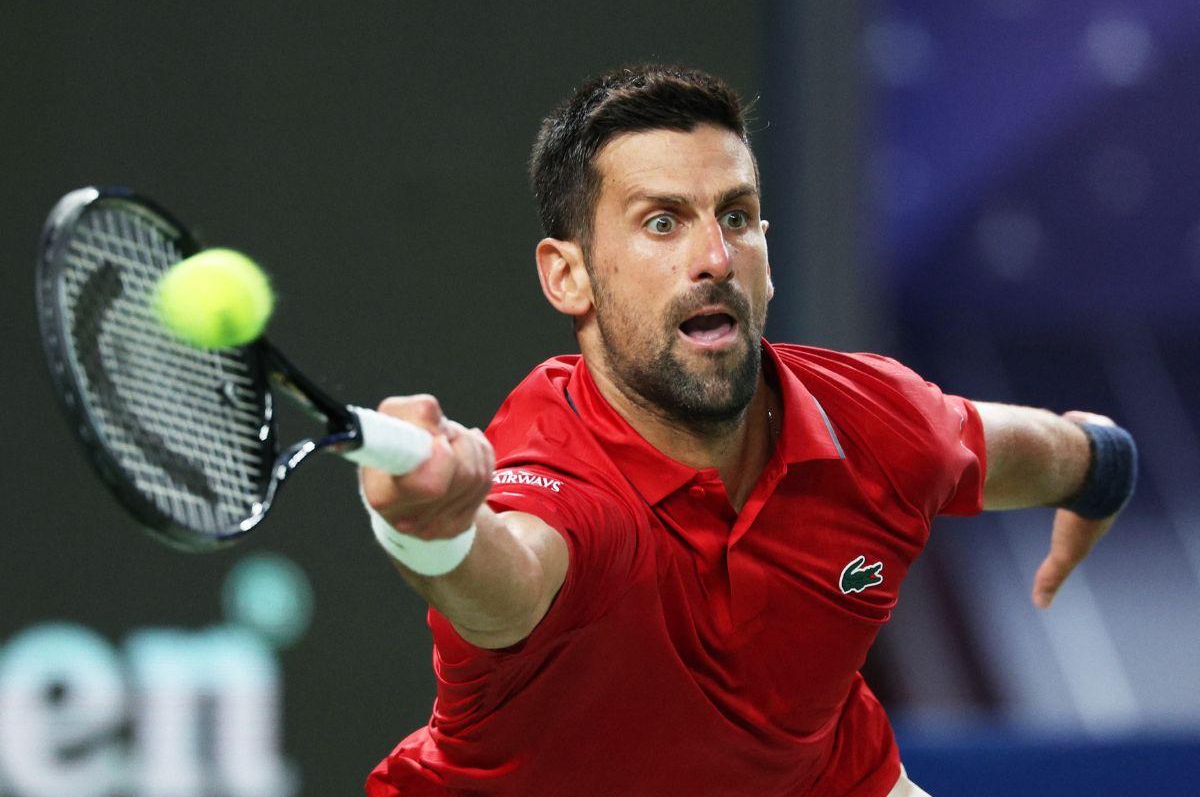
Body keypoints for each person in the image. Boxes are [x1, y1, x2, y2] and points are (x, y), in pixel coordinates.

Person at [358, 65, 1136, 796]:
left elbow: (1049, 452)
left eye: (735, 216)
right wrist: (432, 532)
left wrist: (1105, 468)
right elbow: (505, 581)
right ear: (570, 275)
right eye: (662, 222)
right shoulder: (561, 484)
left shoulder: (880, 424)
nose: (714, 257)